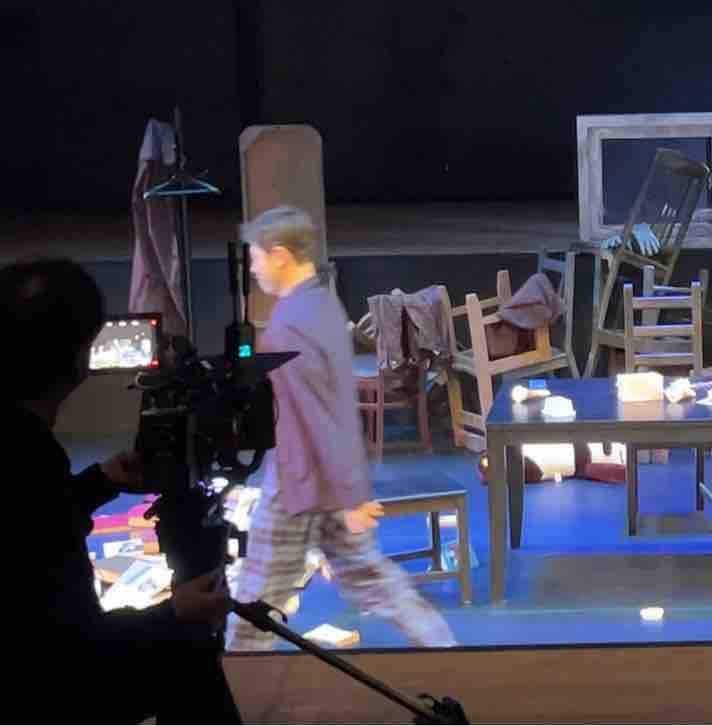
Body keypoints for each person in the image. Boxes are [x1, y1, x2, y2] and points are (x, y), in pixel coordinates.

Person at [4, 259, 242, 723]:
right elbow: (67, 649)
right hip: (37, 690)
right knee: (188, 655)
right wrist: (174, 616)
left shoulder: (20, 447)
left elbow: (25, 532)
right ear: (78, 360)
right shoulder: (30, 455)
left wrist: (100, 482)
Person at [225, 206, 456, 650]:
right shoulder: (322, 304)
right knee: (374, 582)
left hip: (298, 481)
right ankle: (443, 649)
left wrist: (350, 496)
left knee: (255, 601)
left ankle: (235, 682)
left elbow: (317, 412)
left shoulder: (291, 322)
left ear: (279, 255)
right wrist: (350, 490)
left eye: (255, 257)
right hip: (323, 478)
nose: (252, 269)